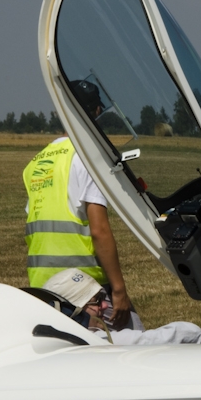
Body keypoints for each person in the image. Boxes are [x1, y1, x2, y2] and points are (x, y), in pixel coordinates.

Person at [23, 80, 136, 330]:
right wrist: (118, 290)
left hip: (42, 285)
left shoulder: (36, 162)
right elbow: (99, 230)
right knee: (135, 342)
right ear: (97, 112)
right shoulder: (87, 157)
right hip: (83, 286)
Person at [42, 268, 201, 345]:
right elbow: (190, 333)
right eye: (96, 301)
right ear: (73, 311)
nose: (104, 305)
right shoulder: (107, 342)